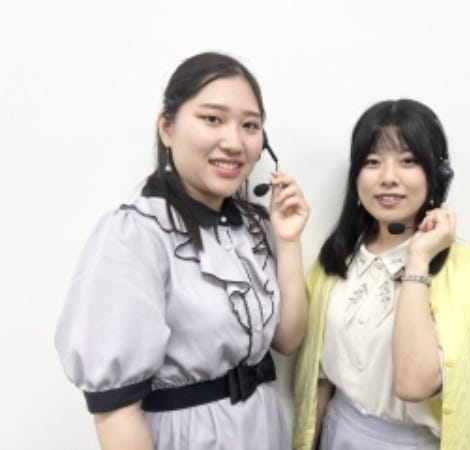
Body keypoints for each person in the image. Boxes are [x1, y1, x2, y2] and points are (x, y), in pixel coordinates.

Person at [55, 52, 309, 450]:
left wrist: (288, 240)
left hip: (263, 429)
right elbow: (115, 411)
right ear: (167, 128)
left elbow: (288, 341)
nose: (234, 142)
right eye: (213, 119)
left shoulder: (254, 227)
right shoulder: (135, 235)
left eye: (250, 125)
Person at [293, 99, 470, 450]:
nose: (388, 178)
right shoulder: (335, 263)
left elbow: (414, 383)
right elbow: (320, 380)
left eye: (408, 161)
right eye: (372, 162)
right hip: (337, 432)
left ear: (437, 175)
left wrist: (417, 260)